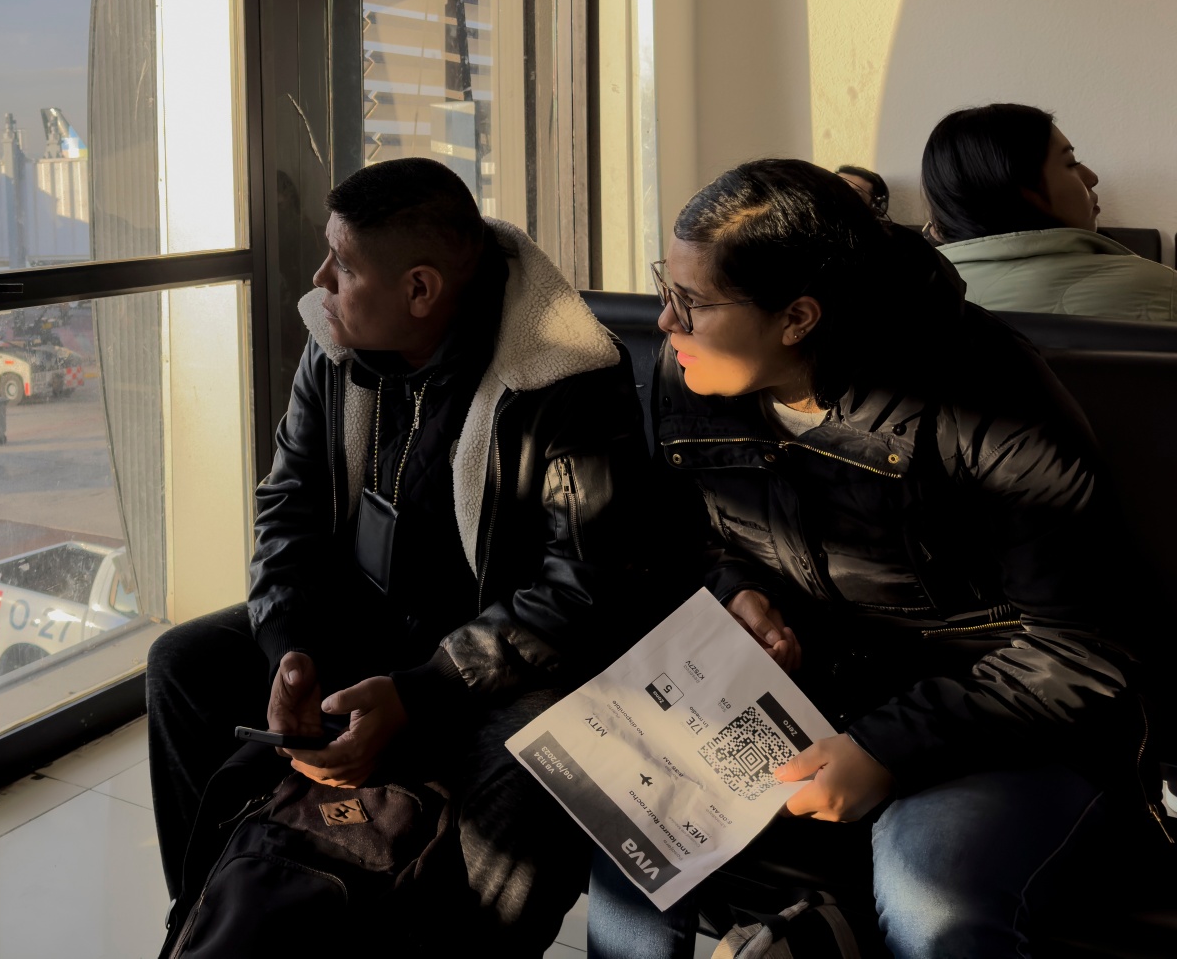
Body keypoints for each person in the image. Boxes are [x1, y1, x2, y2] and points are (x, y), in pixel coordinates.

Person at [587, 159, 1149, 959]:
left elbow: (1082, 650)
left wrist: (888, 746)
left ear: (798, 317)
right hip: (811, 693)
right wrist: (736, 588)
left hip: (1000, 718)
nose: (665, 321)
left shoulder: (986, 395)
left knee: (932, 906)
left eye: (694, 303)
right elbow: (689, 537)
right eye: (665, 289)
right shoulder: (694, 372)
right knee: (627, 829)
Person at [149, 157, 670, 951]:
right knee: (184, 665)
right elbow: (286, 508)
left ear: (421, 290)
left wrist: (421, 692)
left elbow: (581, 590)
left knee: (529, 766)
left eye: (344, 265)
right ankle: (215, 907)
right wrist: (291, 652)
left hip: (495, 658)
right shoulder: (334, 343)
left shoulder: (565, 380)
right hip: (368, 620)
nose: (320, 278)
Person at [922, 102, 1177, 320]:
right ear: (1020, 187)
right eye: (1071, 163)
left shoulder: (904, 300)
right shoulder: (1163, 290)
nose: (1092, 177)